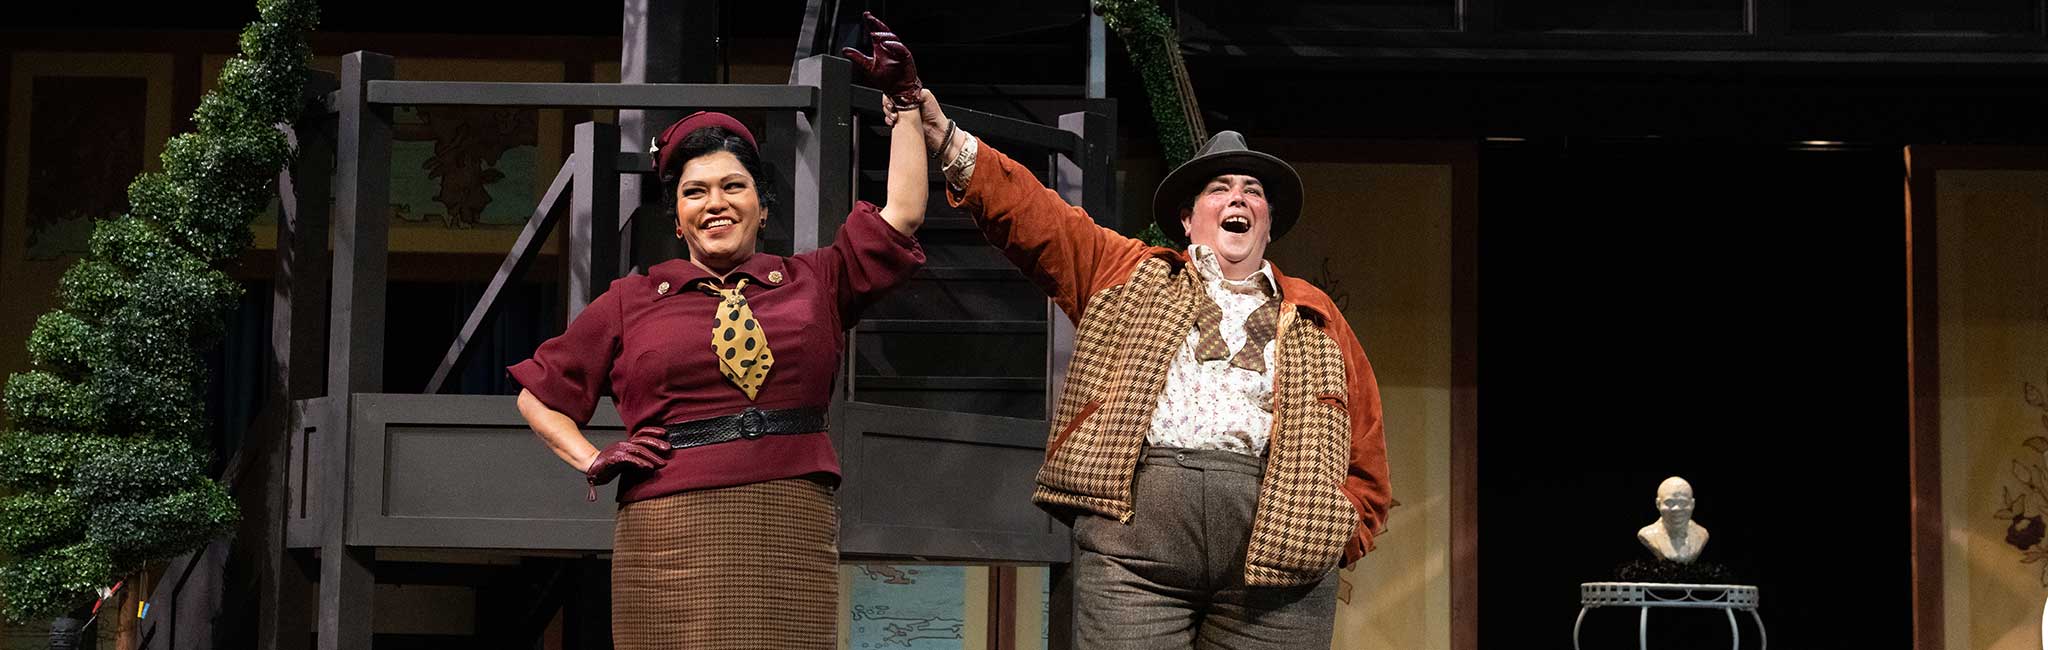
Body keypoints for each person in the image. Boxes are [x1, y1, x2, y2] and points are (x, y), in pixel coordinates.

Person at [862, 20, 1393, 649]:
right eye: (1218, 188)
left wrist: (1336, 536)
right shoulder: (1130, 272)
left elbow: (1367, 454)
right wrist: (937, 129)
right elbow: (1034, 217)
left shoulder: (1316, 315)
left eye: (1252, 191)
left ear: (1267, 226)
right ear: (1188, 219)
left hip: (1283, 562)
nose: (1237, 197)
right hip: (1138, 553)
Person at [507, 23, 932, 646]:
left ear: (763, 202)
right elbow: (538, 395)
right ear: (677, 218)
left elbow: (903, 216)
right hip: (669, 528)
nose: (715, 202)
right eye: (694, 192)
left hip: (790, 519)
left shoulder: (813, 278)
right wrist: (594, 458)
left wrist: (906, 106)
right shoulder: (632, 299)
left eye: (733, 186)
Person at [1637, 476, 1709, 563]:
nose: (1676, 509)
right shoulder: (1647, 534)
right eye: (1669, 502)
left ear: (1692, 504)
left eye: (1683, 502)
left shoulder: (1701, 534)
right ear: (1658, 504)